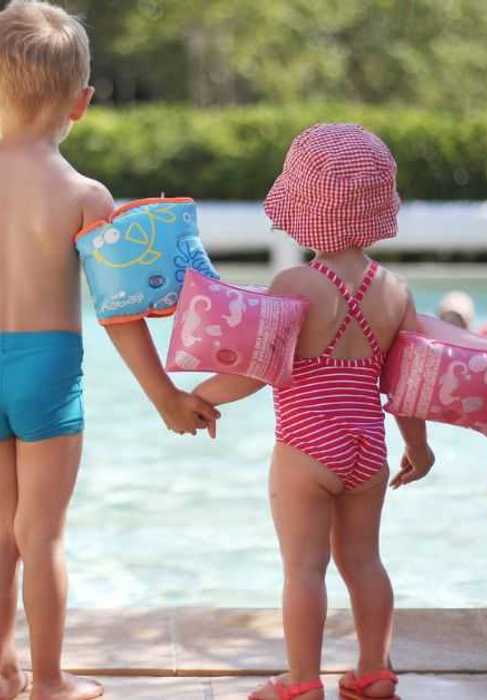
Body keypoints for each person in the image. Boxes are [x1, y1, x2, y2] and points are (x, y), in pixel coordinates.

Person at [0, 3, 218, 698]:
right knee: (40, 535)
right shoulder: (83, 193)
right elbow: (120, 312)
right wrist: (165, 395)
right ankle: (48, 680)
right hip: (47, 372)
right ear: (82, 102)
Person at [194, 123, 435, 700]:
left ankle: (301, 682)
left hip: (307, 447)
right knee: (365, 562)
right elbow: (405, 383)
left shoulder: (296, 281)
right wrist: (418, 447)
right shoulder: (395, 291)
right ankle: (373, 671)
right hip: (368, 449)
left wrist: (199, 396)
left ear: (305, 205)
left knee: (304, 569)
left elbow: (257, 369)